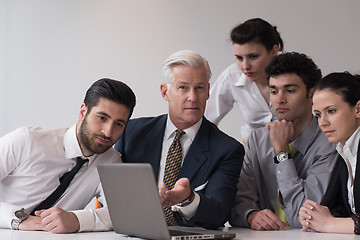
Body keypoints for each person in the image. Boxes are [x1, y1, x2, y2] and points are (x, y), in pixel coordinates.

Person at [115, 50, 244, 230]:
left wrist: (188, 199)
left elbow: (219, 213)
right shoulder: (131, 132)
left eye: (199, 87)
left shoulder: (227, 149)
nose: (193, 97)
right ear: (165, 92)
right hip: (133, 232)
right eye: (183, 87)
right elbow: (111, 193)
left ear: (208, 91)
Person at [0, 78, 136, 233]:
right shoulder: (26, 140)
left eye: (118, 124)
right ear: (83, 111)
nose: (108, 132)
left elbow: (120, 214)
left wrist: (78, 220)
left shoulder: (110, 161)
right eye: (102, 118)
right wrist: (18, 219)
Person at [230, 52, 338, 230]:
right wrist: (251, 215)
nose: (279, 99)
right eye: (274, 91)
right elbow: (238, 202)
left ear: (311, 94)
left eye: (290, 90)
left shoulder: (329, 142)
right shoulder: (258, 139)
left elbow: (300, 217)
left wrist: (281, 151)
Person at [299, 72, 360, 234]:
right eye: (318, 114)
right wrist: (311, 215)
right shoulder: (344, 150)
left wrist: (329, 224)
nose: (322, 122)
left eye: (331, 111)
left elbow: (331, 221)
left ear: (358, 109)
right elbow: (337, 207)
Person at [205, 18, 283, 143]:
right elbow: (207, 119)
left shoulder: (295, 72)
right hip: (251, 149)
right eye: (239, 58)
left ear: (274, 51)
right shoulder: (232, 76)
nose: (245, 66)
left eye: (253, 56)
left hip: (296, 148)